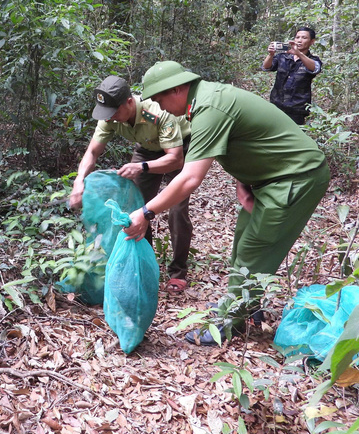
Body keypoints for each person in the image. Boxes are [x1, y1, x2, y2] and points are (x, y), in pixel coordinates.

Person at [125, 61, 330, 346]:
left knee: (255, 249)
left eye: (160, 98)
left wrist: (146, 212)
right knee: (242, 243)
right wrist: (244, 180)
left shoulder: (209, 108)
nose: (158, 106)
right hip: (269, 180)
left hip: (296, 177)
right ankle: (245, 305)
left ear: (178, 89)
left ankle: (230, 322)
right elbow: (246, 140)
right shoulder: (205, 100)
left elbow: (189, 179)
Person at [69, 75, 194, 293]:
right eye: (107, 114)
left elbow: (175, 159)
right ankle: (143, 266)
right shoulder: (109, 116)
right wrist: (79, 182)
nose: (111, 119)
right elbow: (92, 151)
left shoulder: (158, 112)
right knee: (135, 208)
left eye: (115, 112)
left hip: (178, 149)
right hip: (147, 149)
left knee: (177, 210)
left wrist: (141, 167)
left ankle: (178, 272)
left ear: (129, 102)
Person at [261, 26, 322, 125]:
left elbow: (315, 68)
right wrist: (271, 54)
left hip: (297, 110)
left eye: (304, 38)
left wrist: (298, 53)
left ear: (312, 41)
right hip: (276, 105)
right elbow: (266, 67)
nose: (299, 40)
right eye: (297, 37)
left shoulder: (313, 60)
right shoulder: (283, 56)